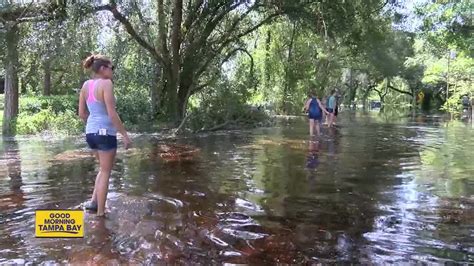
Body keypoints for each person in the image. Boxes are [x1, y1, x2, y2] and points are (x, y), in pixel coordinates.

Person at [78, 54, 132, 217]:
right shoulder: (106, 84)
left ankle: (94, 203)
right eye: (111, 68)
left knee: (102, 169)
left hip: (90, 133)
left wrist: (94, 124)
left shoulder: (86, 85)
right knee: (106, 171)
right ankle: (101, 213)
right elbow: (112, 113)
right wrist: (125, 135)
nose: (113, 71)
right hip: (105, 133)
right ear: (102, 69)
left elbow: (81, 114)